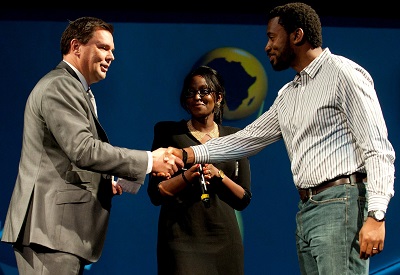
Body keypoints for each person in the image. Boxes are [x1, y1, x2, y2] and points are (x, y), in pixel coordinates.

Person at [168, 3, 396, 275]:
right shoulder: (289, 94)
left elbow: (378, 149)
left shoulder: (343, 74)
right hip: (307, 210)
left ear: (297, 35)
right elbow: (248, 138)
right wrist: (188, 154)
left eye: (272, 37)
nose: (267, 46)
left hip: (342, 204)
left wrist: (376, 214)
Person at [1, 16, 183, 275]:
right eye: (103, 47)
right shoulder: (60, 86)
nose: (111, 56)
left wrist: (102, 181)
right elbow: (84, 150)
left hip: (58, 233)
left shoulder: (75, 88)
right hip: (49, 231)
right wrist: (150, 161)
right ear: (76, 47)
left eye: (112, 50)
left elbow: (66, 155)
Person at [147, 65, 252, 275]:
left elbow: (243, 198)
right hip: (180, 238)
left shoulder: (235, 138)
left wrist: (218, 175)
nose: (197, 97)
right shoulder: (168, 133)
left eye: (204, 91)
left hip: (224, 241)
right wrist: (187, 176)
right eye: (191, 92)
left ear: (219, 97)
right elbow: (155, 193)